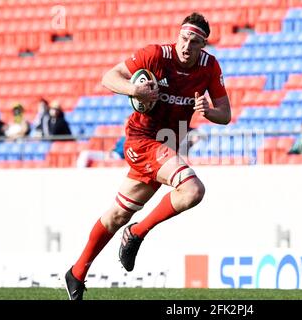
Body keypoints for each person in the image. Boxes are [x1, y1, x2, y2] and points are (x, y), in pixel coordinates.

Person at [64, 12, 231, 300]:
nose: (187, 45)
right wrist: (134, 89)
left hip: (167, 146)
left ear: (203, 46)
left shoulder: (209, 67)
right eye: (184, 38)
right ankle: (138, 233)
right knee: (192, 189)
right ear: (177, 35)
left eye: (194, 42)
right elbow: (109, 77)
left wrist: (208, 111)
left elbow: (225, 114)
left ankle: (76, 273)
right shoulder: (156, 55)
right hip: (143, 141)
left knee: (117, 215)